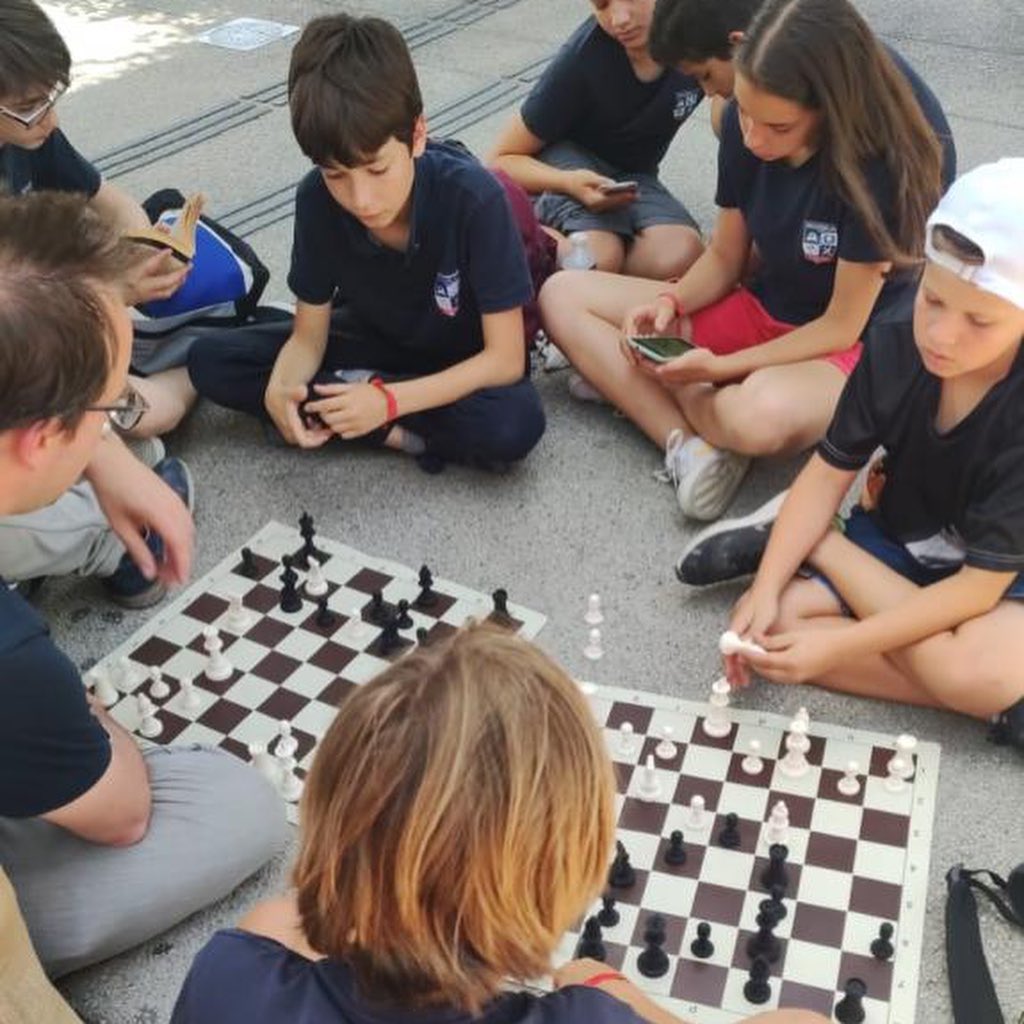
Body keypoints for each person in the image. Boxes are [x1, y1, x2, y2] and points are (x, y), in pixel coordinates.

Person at [171, 623, 825, 1024]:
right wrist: (598, 984)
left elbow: (288, 921)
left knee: (272, 920)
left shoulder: (229, 976)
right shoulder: (592, 1018)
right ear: (568, 869)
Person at [0, 191, 288, 979]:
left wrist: (103, 454)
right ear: (40, 438)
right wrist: (85, 712)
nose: (115, 431)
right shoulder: (13, 661)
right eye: (108, 411)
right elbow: (123, 814)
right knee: (239, 806)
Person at [540, 0, 953, 522]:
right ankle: (692, 444)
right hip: (767, 303)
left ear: (825, 107)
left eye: (778, 128)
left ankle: (655, 394)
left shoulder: (879, 161)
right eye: (747, 118)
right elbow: (725, 255)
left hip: (854, 344)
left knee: (758, 418)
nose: (755, 139)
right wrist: (671, 300)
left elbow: (840, 325)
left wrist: (714, 368)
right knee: (562, 294)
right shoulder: (745, 111)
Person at [678, 161, 1024, 752]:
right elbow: (826, 474)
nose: (941, 335)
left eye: (979, 321)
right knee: (771, 628)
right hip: (899, 539)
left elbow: (976, 592)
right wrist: (765, 589)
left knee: (978, 672)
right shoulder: (894, 341)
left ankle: (818, 543)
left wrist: (839, 647)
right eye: (933, 301)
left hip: (997, 576)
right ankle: (989, 703)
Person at [187, 14, 545, 473]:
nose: (361, 199)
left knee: (514, 423)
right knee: (212, 360)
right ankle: (384, 424)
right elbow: (308, 337)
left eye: (377, 170)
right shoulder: (316, 198)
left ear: (417, 135)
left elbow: (505, 360)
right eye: (336, 174)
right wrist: (282, 385)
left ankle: (376, 423)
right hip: (373, 342)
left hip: (460, 362)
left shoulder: (474, 199)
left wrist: (388, 401)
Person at [0, 0, 197, 607]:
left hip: (24, 388)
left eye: (52, 95)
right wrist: (108, 293)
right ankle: (110, 543)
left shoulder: (30, 135)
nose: (49, 118)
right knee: (124, 456)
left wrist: (141, 252)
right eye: (30, 106)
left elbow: (104, 197)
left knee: (133, 445)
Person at [488, 0, 705, 280]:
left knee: (682, 253)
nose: (619, 19)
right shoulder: (582, 58)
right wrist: (567, 182)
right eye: (601, 4)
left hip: (632, 176)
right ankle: (526, 235)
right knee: (597, 257)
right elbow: (499, 159)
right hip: (562, 165)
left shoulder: (700, 33)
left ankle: (590, 272)